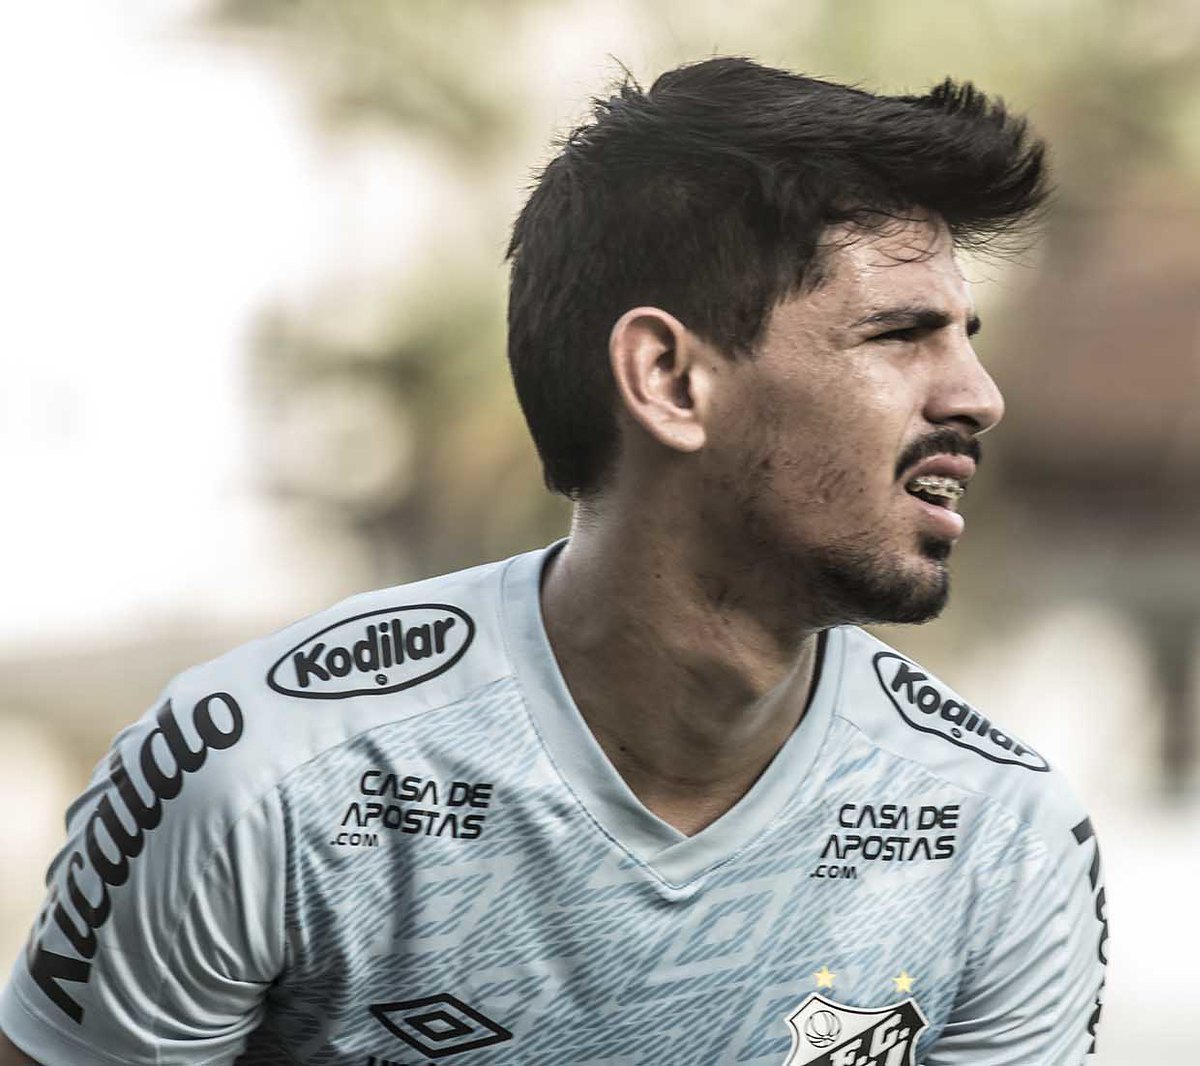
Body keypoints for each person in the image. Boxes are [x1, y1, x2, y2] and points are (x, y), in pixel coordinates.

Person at [0, 57, 1107, 1065]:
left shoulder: (999, 831)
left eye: (966, 339)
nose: (977, 396)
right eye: (900, 334)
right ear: (668, 379)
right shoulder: (263, 777)